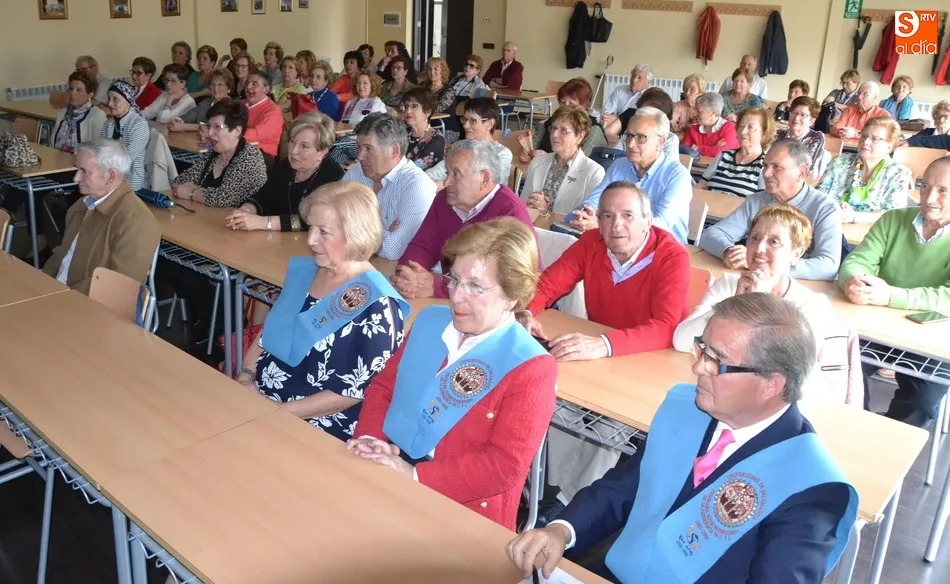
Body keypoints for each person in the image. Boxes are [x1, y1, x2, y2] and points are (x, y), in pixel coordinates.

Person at [507, 294, 857, 584]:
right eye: (701, 349)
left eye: (716, 361)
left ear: (772, 384)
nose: (698, 368)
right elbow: (625, 488)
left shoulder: (811, 486)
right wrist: (560, 530)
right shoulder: (686, 408)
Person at [348, 217, 556, 531]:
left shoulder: (531, 367)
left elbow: (504, 466)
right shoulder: (431, 320)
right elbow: (384, 388)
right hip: (389, 467)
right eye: (454, 279)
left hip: (461, 509)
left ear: (512, 296)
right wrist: (370, 440)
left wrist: (413, 475)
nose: (456, 297)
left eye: (475, 286)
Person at [235, 181, 408, 441]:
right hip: (259, 401)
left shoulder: (377, 305)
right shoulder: (307, 272)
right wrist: (246, 378)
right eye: (311, 228)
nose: (311, 240)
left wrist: (275, 413)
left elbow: (352, 392)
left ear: (355, 234)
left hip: (316, 427)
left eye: (323, 232)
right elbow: (269, 331)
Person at [838, 158, 950, 428]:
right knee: (838, 369)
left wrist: (890, 296)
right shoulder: (894, 220)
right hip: (878, 326)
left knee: (921, 401)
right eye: (925, 187)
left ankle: (883, 439)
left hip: (932, 340)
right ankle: (854, 430)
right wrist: (854, 281)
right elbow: (856, 261)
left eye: (943, 191)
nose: (929, 197)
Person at [520, 182, 689, 359]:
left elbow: (667, 327)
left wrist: (604, 344)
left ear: (647, 221)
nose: (616, 225)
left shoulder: (672, 258)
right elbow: (548, 284)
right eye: (608, 216)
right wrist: (526, 312)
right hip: (600, 352)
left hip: (652, 357)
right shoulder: (590, 243)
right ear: (599, 223)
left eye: (628, 215)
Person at [674, 204, 832, 393]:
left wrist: (761, 306)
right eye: (755, 238)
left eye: (774, 241)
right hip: (718, 387)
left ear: (796, 253)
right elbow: (681, 340)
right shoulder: (729, 285)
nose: (759, 248)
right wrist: (735, 305)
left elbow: (793, 377)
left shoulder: (811, 305)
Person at [394, 140, 535, 299]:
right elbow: (422, 246)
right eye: (447, 173)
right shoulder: (444, 200)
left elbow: (514, 283)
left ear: (484, 179)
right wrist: (407, 275)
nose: (447, 182)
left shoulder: (511, 213)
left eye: (456, 174)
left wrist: (439, 287)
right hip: (449, 301)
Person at [699, 139, 842, 281]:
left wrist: (770, 264)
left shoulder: (825, 208)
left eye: (777, 167)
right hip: (754, 283)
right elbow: (711, 234)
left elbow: (828, 265)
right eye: (765, 166)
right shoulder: (756, 201)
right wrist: (728, 251)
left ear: (802, 173)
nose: (766, 173)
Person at [42, 139, 161, 295]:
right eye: (77, 169)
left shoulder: (137, 222)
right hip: (57, 292)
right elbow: (62, 254)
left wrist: (62, 297)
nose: (76, 178)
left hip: (87, 306)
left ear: (111, 176)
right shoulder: (81, 205)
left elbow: (119, 286)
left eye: (84, 171)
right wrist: (41, 282)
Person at [568, 107, 692, 244]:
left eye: (641, 137)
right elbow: (596, 199)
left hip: (664, 252)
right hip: (619, 245)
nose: (631, 144)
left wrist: (603, 224)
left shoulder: (677, 176)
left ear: (660, 142)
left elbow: (661, 226)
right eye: (629, 136)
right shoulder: (619, 166)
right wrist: (586, 215)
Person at [341, 113, 436, 260]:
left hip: (396, 274)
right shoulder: (356, 172)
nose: (359, 156)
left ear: (394, 151)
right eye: (359, 147)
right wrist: (381, 230)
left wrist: (350, 223)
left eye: (368, 149)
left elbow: (393, 249)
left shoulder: (417, 185)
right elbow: (331, 218)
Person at [228, 112, 344, 232]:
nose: (294, 151)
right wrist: (244, 211)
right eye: (292, 142)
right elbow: (263, 197)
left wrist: (263, 223)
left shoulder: (333, 176)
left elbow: (312, 221)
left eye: (304, 146)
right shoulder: (285, 166)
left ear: (322, 152)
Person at [170, 100, 267, 207]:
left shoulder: (250, 157)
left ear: (237, 131)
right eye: (209, 126)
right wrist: (201, 192)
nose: (210, 133)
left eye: (217, 127)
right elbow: (178, 182)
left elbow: (223, 198)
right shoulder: (214, 153)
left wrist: (191, 193)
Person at [818, 116, 911, 224]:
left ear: (889, 147)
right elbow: (819, 196)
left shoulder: (898, 173)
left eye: (875, 139)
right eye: (864, 136)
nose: (866, 141)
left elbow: (894, 214)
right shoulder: (840, 162)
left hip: (872, 234)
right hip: (830, 225)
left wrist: (854, 217)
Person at [521, 106, 605, 214]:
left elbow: (584, 219)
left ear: (579, 136)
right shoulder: (537, 162)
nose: (554, 135)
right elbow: (523, 203)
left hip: (564, 230)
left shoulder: (594, 172)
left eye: (563, 130)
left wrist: (545, 212)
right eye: (554, 128)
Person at [426, 98, 512, 189]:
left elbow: (493, 188)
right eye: (464, 119)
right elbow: (433, 173)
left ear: (490, 124)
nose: (465, 125)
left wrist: (442, 185)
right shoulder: (460, 147)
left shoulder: (501, 154)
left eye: (473, 121)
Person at [522, 78, 607, 162]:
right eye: (563, 102)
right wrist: (526, 153)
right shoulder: (549, 123)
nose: (566, 107)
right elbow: (531, 147)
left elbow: (577, 162)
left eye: (571, 103)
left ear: (584, 106)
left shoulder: (593, 130)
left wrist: (546, 157)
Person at [698, 106, 772, 198]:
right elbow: (700, 186)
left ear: (764, 134)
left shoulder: (765, 165)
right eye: (741, 126)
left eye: (751, 127)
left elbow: (762, 203)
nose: (743, 132)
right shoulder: (723, 155)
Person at [329, 70, 387, 165]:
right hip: (346, 141)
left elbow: (378, 129)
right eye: (359, 83)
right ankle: (351, 164)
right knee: (328, 145)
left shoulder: (377, 103)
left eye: (365, 83)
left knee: (336, 146)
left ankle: (350, 164)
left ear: (372, 85)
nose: (361, 86)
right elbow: (342, 125)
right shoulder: (350, 103)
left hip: (365, 144)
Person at [99, 81, 148, 190]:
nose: (110, 104)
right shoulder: (109, 123)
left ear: (128, 101)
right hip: (109, 177)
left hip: (131, 183)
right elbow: (100, 151)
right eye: (109, 99)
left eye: (115, 99)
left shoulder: (139, 124)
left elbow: (126, 159)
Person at [51, 71, 106, 154]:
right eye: (71, 88)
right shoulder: (62, 113)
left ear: (89, 95)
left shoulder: (97, 115)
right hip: (59, 159)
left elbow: (98, 148)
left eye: (79, 90)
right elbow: (52, 144)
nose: (73, 93)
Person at [775, 96, 827, 179]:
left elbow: (807, 166)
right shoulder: (778, 134)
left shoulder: (816, 138)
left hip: (799, 179)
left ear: (811, 121)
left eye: (803, 115)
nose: (796, 118)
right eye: (793, 112)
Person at [400, 86, 445, 171]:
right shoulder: (402, 132)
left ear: (427, 111)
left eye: (414, 106)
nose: (408, 111)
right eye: (406, 106)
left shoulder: (436, 139)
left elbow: (413, 170)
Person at [682, 92, 739, 157]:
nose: (695, 114)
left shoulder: (729, 128)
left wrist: (695, 147)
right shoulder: (692, 129)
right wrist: (714, 148)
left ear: (712, 112)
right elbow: (684, 151)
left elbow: (723, 153)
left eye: (698, 111)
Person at [242, 70, 283, 161]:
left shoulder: (273, 111)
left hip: (261, 155)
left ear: (266, 90)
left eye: (254, 84)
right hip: (241, 148)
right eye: (247, 83)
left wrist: (229, 134)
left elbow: (255, 134)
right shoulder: (242, 104)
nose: (248, 87)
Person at [601, 64, 652, 129]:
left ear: (648, 82)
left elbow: (642, 122)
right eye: (633, 76)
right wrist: (607, 116)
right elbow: (607, 109)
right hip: (613, 127)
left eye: (640, 78)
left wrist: (617, 120)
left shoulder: (650, 96)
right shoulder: (620, 89)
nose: (634, 80)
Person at [422, 57, 458, 141]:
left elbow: (436, 109)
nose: (432, 72)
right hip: (426, 126)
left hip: (446, 128)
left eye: (436, 69)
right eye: (429, 69)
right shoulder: (423, 86)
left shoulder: (448, 90)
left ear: (443, 71)